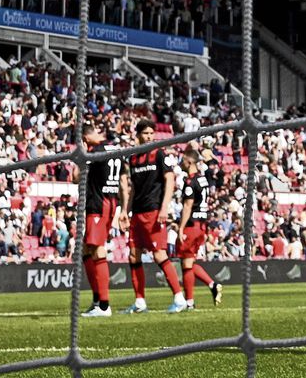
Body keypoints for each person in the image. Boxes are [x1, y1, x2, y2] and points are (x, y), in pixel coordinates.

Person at [120, 119, 186, 314]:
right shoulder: (132, 158)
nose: (149, 137)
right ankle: (139, 301)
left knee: (159, 255)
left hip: (153, 211)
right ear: (138, 134)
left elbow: (170, 179)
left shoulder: (159, 154)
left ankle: (179, 297)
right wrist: (125, 210)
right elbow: (132, 189)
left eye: (152, 133)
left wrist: (164, 207)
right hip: (137, 213)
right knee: (133, 255)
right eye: (146, 133)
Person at [80, 122, 125, 318]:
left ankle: (104, 305)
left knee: (97, 249)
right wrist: (124, 207)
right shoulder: (115, 149)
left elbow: (76, 176)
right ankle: (97, 299)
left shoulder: (95, 151)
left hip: (98, 204)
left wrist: (81, 155)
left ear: (85, 138)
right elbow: (124, 180)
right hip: (111, 201)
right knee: (87, 249)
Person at [175, 148, 222, 309]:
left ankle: (190, 302)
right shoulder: (203, 180)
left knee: (186, 264)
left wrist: (180, 228)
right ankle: (211, 285)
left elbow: (187, 206)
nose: (180, 163)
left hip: (191, 225)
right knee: (189, 262)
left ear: (189, 162)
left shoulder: (190, 181)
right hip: (202, 225)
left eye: (182, 160)